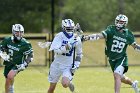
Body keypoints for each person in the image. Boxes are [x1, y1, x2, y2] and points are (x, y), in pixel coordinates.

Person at [84, 14, 140, 93]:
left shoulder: (128, 34)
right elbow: (100, 35)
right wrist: (88, 37)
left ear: (125, 23)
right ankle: (133, 84)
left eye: (121, 22)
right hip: (111, 59)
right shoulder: (111, 29)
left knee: (116, 75)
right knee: (121, 78)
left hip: (121, 58)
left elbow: (135, 46)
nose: (119, 23)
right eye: (118, 21)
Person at [47, 19, 83, 93]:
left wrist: (76, 65)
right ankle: (68, 81)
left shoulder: (77, 39)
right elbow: (57, 50)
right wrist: (68, 45)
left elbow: (79, 54)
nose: (70, 30)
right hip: (56, 64)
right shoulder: (59, 36)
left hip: (67, 66)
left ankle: (68, 82)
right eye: (68, 28)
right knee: (51, 88)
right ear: (63, 28)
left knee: (65, 84)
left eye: (71, 28)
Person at [0, 24, 33, 93]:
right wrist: (2, 54)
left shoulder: (25, 44)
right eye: (17, 32)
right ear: (13, 32)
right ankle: (10, 90)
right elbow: (1, 48)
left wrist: (24, 64)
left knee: (9, 76)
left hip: (18, 64)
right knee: (8, 80)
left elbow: (30, 56)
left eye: (21, 32)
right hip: (9, 63)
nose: (19, 34)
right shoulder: (7, 40)